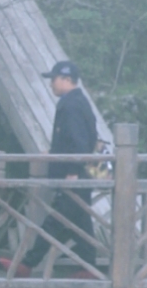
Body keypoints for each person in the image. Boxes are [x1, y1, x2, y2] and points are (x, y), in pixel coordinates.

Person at [42, 59, 102, 271]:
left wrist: (72, 171)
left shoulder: (71, 104)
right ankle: (89, 267)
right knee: (80, 222)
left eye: (54, 79)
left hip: (73, 174)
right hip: (79, 172)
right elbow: (86, 138)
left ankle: (25, 263)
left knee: (56, 219)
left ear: (67, 79)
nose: (51, 84)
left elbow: (77, 142)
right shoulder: (80, 101)